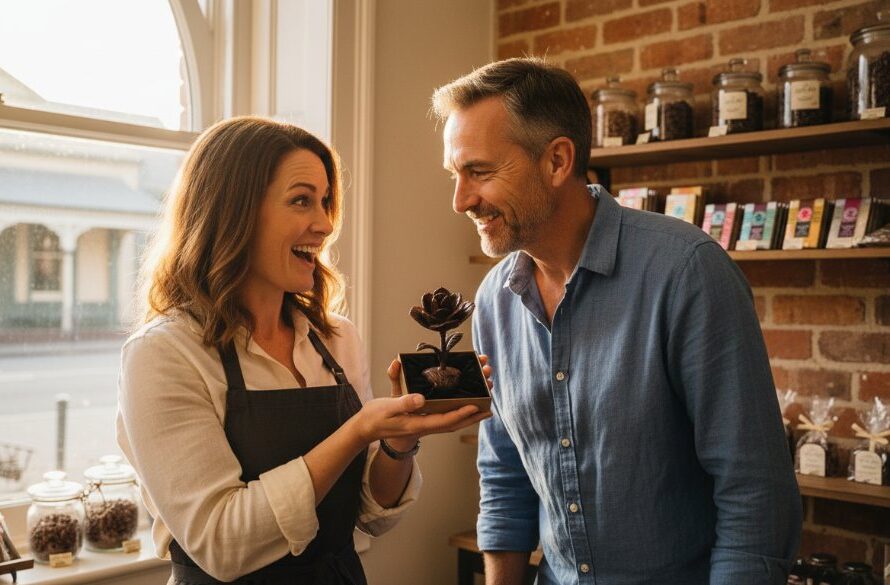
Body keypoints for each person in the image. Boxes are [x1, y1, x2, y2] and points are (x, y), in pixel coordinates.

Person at [431, 58, 802, 585]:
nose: (460, 200)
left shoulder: (687, 272)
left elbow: (754, 493)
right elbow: (505, 474)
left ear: (557, 161)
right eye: (455, 174)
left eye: (480, 172)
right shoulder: (493, 300)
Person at [116, 116, 490, 585]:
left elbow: (372, 517)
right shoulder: (165, 354)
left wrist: (397, 441)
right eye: (301, 201)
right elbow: (219, 543)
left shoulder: (336, 340)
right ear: (233, 212)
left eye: (326, 201)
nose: (326, 223)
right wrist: (356, 432)